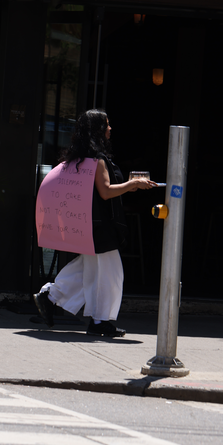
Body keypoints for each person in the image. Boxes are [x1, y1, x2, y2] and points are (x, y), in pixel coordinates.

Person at [32, 109, 154, 337]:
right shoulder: (97, 161)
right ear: (98, 130)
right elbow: (106, 192)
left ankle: (51, 297)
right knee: (111, 273)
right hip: (101, 227)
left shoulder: (77, 160)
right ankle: (100, 320)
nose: (110, 128)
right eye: (107, 124)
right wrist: (133, 184)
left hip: (88, 225)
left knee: (87, 269)